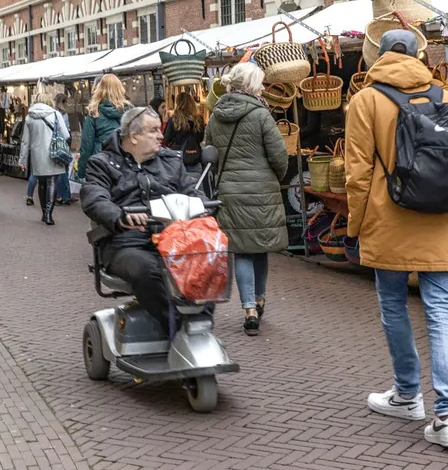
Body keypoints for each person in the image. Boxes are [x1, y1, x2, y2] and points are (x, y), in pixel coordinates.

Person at [345, 29, 448, 450]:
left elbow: (357, 173)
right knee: (440, 311)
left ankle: (407, 394)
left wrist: (354, 227)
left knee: (393, 305)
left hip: (389, 215)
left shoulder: (365, 100)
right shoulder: (444, 97)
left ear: (378, 55)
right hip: (438, 219)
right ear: (419, 55)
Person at [80, 107, 200, 324]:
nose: (161, 135)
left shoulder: (171, 161)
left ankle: (199, 325)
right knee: (148, 269)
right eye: (153, 130)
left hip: (174, 240)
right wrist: (120, 216)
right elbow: (94, 198)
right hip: (126, 243)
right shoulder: (102, 163)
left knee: (207, 260)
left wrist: (204, 208)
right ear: (133, 136)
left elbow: (192, 193)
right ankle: (178, 327)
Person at [205, 62, 291, 336]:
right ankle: (261, 299)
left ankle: (249, 308)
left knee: (241, 249)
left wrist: (224, 175)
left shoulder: (216, 115)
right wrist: (275, 176)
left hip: (230, 189)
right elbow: (279, 155)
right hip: (262, 190)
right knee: (260, 247)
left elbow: (209, 151)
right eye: (261, 83)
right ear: (253, 86)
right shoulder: (261, 115)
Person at [18, 91, 68, 226]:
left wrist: (22, 160)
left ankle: (43, 212)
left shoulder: (30, 117)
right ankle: (48, 214)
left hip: (36, 154)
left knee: (42, 183)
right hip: (54, 152)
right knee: (52, 182)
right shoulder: (56, 114)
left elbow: (25, 141)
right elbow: (66, 134)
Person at [74, 74, 128, 183]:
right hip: (124, 162)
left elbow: (87, 145)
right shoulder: (129, 112)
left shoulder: (94, 113)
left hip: (100, 163)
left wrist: (82, 171)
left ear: (100, 89)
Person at [163, 88, 206, 174]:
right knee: (196, 185)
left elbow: (166, 139)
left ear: (178, 103)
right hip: (194, 158)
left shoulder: (174, 120)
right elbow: (200, 139)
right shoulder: (199, 120)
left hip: (177, 160)